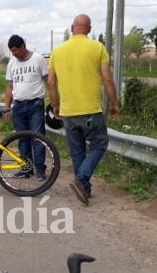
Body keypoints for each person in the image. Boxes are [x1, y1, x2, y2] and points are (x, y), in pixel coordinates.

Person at [47, 14, 119, 206]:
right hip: (90, 110)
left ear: (72, 28)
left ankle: (84, 188)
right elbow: (108, 79)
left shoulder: (57, 51)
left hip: (68, 112)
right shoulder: (97, 47)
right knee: (99, 145)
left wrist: (55, 105)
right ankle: (82, 178)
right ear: (89, 29)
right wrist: (114, 104)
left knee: (77, 150)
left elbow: (51, 82)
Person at [4, 34, 49, 179]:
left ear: (23, 46)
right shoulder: (12, 63)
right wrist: (7, 107)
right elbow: (10, 87)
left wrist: (54, 101)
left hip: (35, 104)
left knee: (38, 138)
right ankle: (26, 168)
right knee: (22, 139)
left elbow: (48, 81)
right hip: (18, 106)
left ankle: (40, 170)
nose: (14, 54)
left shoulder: (38, 59)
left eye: (16, 50)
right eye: (12, 52)